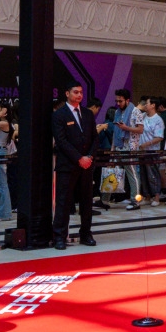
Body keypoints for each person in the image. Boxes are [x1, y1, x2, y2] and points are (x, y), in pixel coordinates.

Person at [51, 83, 97, 248]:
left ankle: (86, 234)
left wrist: (89, 157)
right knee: (63, 202)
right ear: (67, 93)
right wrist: (79, 158)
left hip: (86, 165)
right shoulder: (59, 115)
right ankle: (59, 237)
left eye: (81, 92)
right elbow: (61, 141)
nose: (79, 95)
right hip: (68, 165)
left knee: (86, 201)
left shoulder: (87, 113)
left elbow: (94, 137)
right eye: (75, 92)